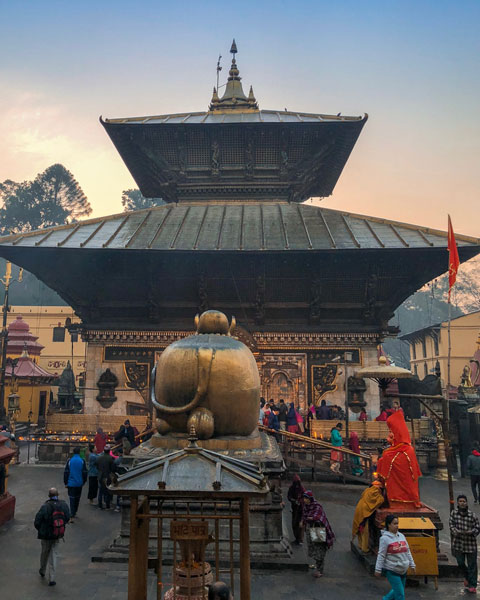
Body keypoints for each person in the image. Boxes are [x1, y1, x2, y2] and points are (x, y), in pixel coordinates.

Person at [376, 411, 422, 508]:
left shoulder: (407, 450)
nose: (389, 436)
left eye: (391, 432)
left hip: (405, 493)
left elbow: (392, 461)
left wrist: (384, 459)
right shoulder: (398, 449)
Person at [34, 487, 71, 587]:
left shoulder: (45, 506)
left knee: (44, 552)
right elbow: (67, 517)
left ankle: (42, 570)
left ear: (49, 496)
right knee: (54, 555)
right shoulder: (63, 505)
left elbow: (37, 520)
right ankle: (52, 578)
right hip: (57, 534)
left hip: (46, 535)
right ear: (57, 495)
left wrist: (40, 529)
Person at [375, 514, 415, 599]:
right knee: (400, 595)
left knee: (397, 591)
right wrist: (378, 569)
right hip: (392, 571)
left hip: (403, 570)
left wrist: (412, 564)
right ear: (389, 525)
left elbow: (407, 551)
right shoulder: (385, 539)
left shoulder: (401, 536)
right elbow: (381, 555)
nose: (397, 526)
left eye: (397, 523)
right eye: (394, 523)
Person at [449, 494, 480, 593]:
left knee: (472, 565)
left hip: (470, 545)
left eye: (464, 501)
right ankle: (467, 577)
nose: (462, 503)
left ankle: (472, 585)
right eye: (460, 501)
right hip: (458, 544)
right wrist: (456, 532)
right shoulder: (454, 514)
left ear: (466, 503)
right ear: (458, 503)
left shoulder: (472, 515)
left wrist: (471, 532)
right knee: (460, 563)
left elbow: (477, 528)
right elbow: (451, 525)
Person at [301, 490, 335, 578]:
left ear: (310, 499)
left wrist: (310, 518)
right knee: (313, 549)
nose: (305, 500)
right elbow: (304, 516)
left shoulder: (317, 506)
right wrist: (304, 520)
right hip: (310, 529)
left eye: (306, 498)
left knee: (319, 550)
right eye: (304, 498)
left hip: (318, 529)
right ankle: (318, 567)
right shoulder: (306, 507)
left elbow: (318, 517)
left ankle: (320, 570)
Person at [352, 480, 385, 553]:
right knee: (365, 530)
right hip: (365, 511)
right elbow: (380, 501)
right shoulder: (376, 492)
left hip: (359, 507)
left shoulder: (367, 490)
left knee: (360, 527)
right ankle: (365, 548)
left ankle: (360, 545)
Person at [63, 446, 87, 522]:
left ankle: (72, 514)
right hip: (79, 483)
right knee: (77, 498)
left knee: (72, 499)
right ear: (79, 452)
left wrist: (66, 482)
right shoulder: (82, 461)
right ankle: (75, 512)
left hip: (71, 483)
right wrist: (84, 481)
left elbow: (66, 472)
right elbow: (85, 472)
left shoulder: (69, 461)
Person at [287, 474, 305, 545]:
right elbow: (289, 496)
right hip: (295, 509)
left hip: (301, 509)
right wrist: (293, 500)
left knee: (301, 525)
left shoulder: (302, 488)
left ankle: (300, 539)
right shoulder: (292, 488)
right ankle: (297, 538)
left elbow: (305, 497)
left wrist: (300, 501)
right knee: (294, 524)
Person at [97, 444, 115, 510]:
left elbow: (97, 466)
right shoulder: (110, 458)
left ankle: (100, 505)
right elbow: (113, 468)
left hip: (100, 476)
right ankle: (107, 505)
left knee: (101, 491)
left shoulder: (99, 458)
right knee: (107, 491)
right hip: (107, 476)